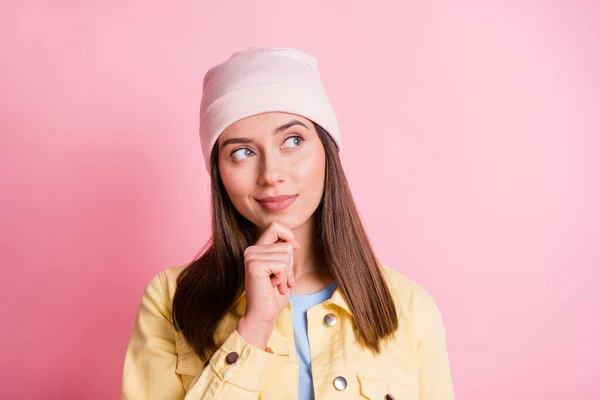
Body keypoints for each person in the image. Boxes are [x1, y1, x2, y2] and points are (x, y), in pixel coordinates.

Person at [121, 46, 454, 400]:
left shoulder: (409, 308)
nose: (271, 174)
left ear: (327, 149)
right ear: (219, 171)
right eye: (242, 152)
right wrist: (254, 328)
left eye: (292, 141)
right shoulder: (171, 300)